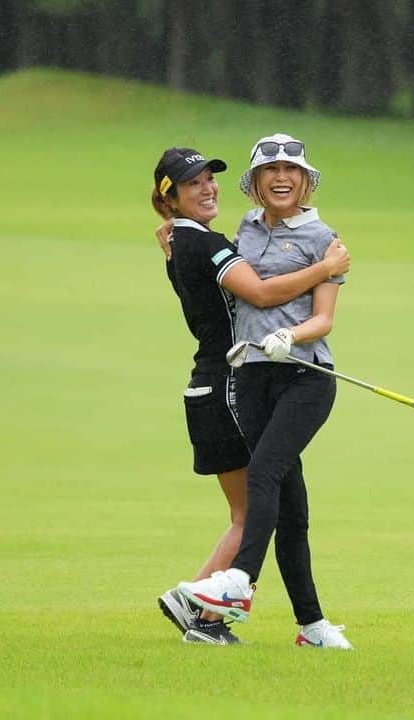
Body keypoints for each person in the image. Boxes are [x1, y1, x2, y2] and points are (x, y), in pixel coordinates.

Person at [150, 146, 350, 645]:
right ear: (169, 196)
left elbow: (315, 313)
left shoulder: (191, 239)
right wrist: (325, 268)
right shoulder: (216, 239)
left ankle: (279, 612)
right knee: (268, 504)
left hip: (258, 377)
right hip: (237, 378)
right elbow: (258, 293)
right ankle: (219, 601)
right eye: (193, 183)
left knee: (274, 499)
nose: (207, 187)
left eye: (209, 180)